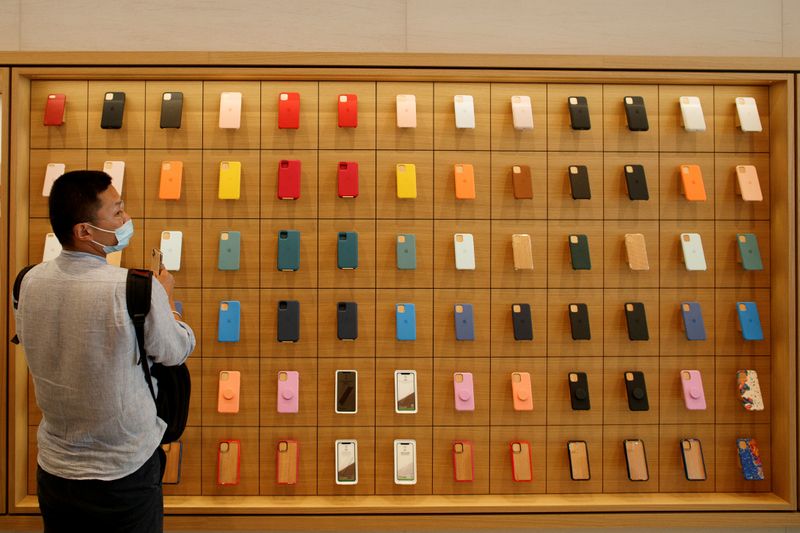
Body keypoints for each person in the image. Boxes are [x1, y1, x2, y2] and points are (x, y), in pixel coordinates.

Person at [14, 170, 196, 533]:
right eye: (117, 212)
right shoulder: (133, 286)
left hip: (56, 466)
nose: (126, 219)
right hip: (123, 467)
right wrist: (167, 303)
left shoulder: (27, 280)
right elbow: (175, 350)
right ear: (84, 230)